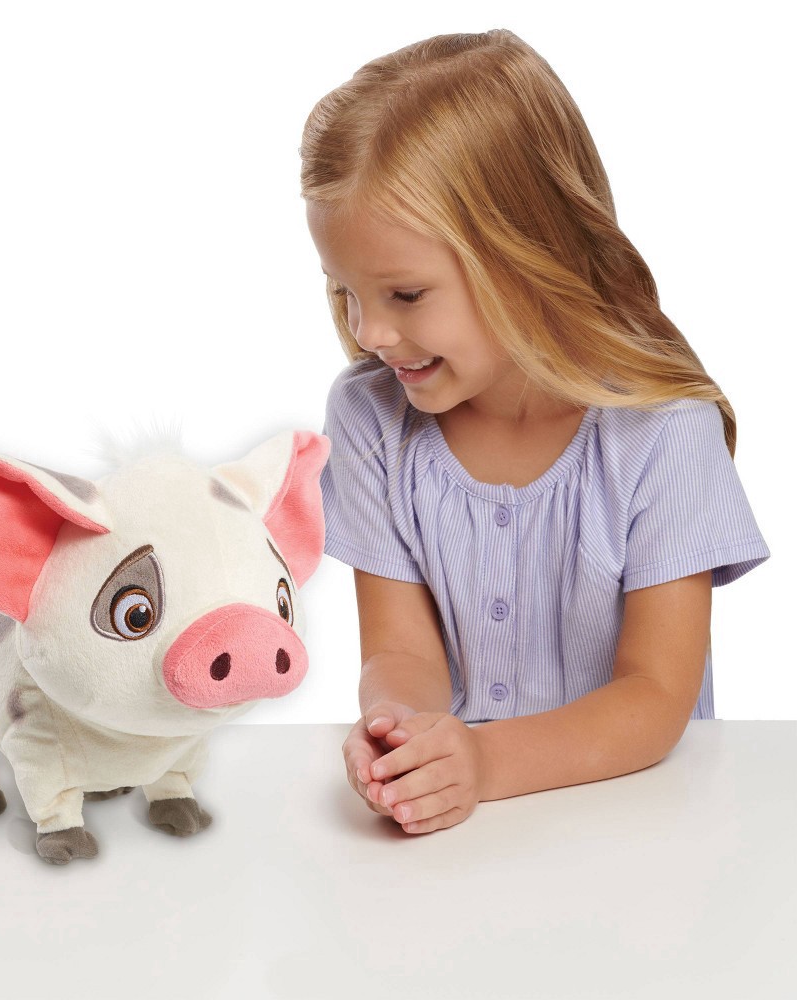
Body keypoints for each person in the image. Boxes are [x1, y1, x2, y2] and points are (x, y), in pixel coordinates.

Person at [301, 30, 770, 835]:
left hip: (648, 836)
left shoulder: (662, 433)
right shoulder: (370, 419)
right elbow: (401, 654)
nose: (369, 332)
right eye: (343, 290)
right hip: (469, 843)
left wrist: (484, 763)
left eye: (405, 295)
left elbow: (656, 697)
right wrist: (400, 733)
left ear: (525, 255)